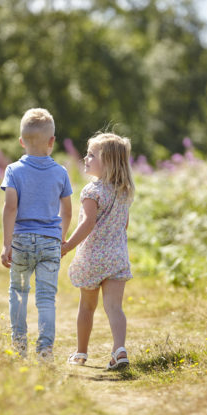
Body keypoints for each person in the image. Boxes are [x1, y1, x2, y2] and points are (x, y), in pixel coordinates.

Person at [0, 108, 72, 359]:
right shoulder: (61, 172)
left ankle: (19, 347)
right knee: (46, 297)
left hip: (20, 242)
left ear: (21, 141)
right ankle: (45, 349)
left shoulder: (13, 170)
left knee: (18, 293)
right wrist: (60, 237)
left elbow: (10, 208)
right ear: (52, 141)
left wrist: (6, 244)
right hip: (49, 243)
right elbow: (67, 210)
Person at [61, 132, 134, 370]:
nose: (85, 158)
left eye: (92, 155)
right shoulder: (124, 192)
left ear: (108, 162)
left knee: (87, 307)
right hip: (117, 256)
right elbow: (125, 224)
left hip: (92, 257)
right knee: (114, 307)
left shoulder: (91, 191)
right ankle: (119, 350)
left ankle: (81, 353)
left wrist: (69, 245)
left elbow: (87, 223)